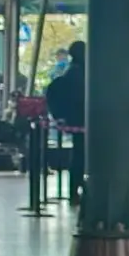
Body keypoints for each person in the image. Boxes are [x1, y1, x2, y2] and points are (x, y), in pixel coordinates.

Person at [47, 40, 87, 206]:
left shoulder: (70, 72)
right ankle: (78, 188)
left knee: (78, 154)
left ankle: (74, 189)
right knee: (81, 155)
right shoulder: (83, 73)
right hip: (83, 120)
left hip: (76, 121)